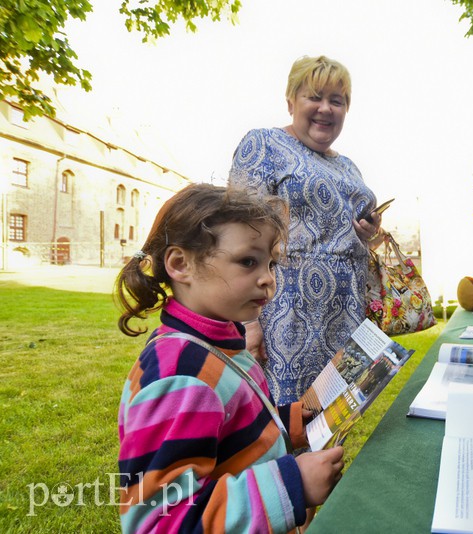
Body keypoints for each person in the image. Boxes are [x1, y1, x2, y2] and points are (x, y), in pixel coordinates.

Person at [114, 183, 344, 533]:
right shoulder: (183, 377)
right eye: (248, 261)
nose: (268, 279)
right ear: (180, 264)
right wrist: (292, 485)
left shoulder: (218, 341)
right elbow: (160, 523)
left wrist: (290, 422)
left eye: (270, 263)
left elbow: (229, 427)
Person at [229, 55, 384, 404]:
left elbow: (343, 236)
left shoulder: (348, 166)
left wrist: (367, 231)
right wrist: (248, 323)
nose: (325, 108)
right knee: (283, 420)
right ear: (291, 102)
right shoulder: (264, 145)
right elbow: (240, 235)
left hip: (345, 316)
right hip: (285, 320)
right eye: (314, 97)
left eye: (337, 101)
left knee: (332, 418)